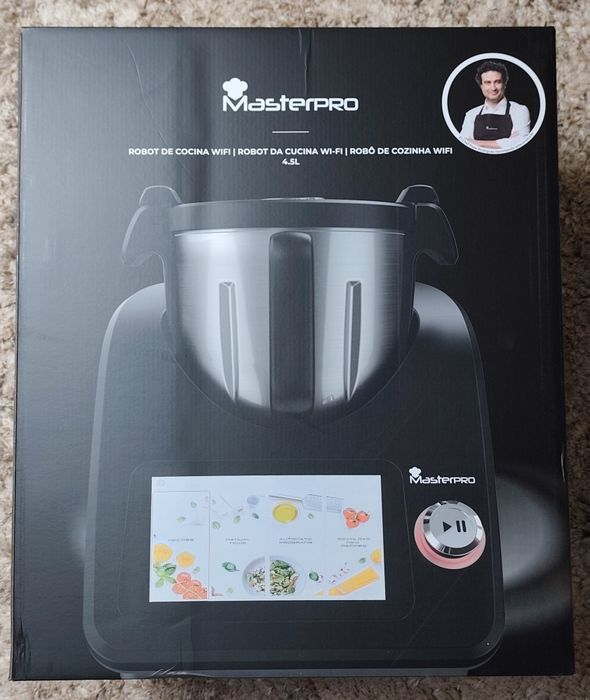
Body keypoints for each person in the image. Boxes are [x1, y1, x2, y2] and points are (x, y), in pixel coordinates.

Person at [460, 60, 530, 150]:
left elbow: (520, 141)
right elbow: (463, 144)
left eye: (497, 82)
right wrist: (507, 141)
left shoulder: (520, 110)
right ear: (481, 86)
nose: (493, 88)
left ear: (504, 84)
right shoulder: (471, 114)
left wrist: (476, 142)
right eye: (488, 82)